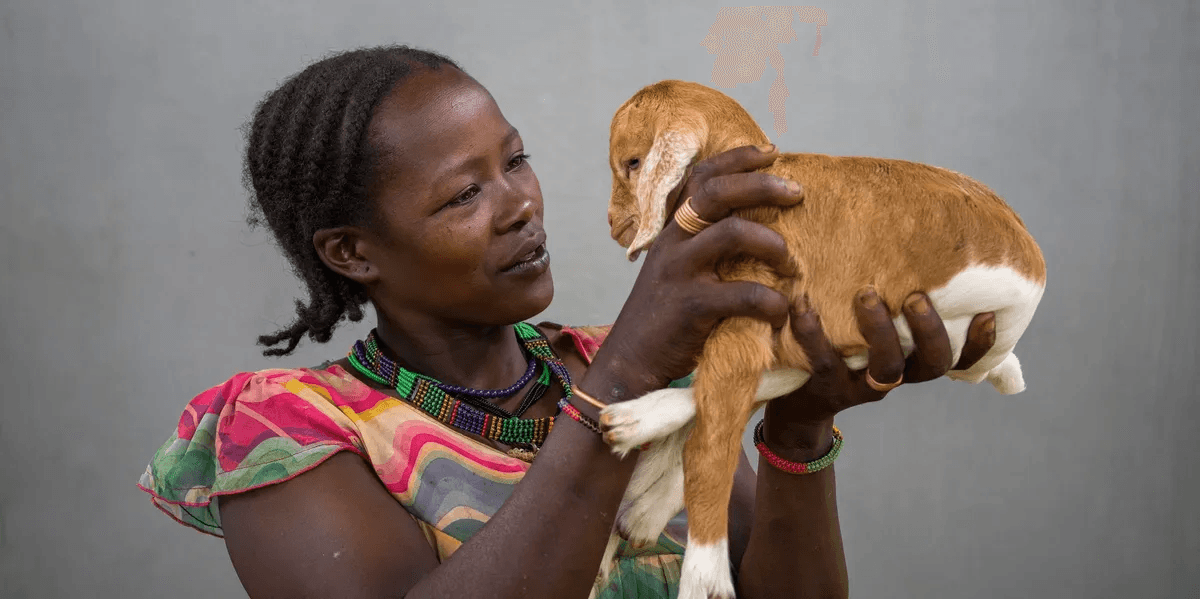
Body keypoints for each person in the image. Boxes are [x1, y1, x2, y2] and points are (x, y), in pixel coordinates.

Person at [137, 45, 997, 599]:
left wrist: (799, 426)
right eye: (464, 193)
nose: (520, 206)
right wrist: (621, 373)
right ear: (352, 252)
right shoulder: (288, 431)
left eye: (515, 160)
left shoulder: (622, 364)